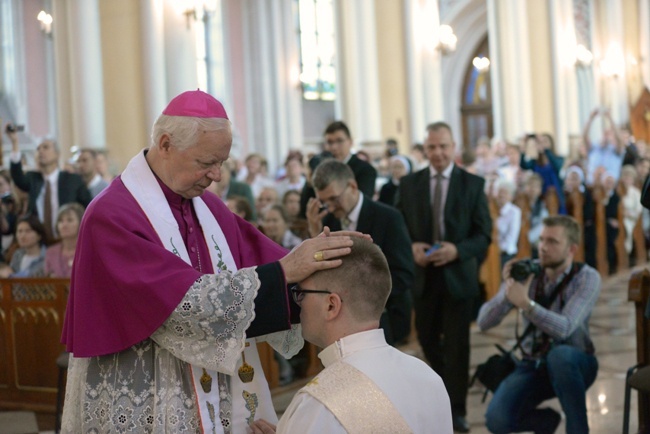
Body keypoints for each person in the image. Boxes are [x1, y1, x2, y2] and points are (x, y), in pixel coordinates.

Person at [60, 90, 359, 433]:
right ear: (166, 144)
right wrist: (285, 271)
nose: (217, 175)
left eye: (222, 163)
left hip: (216, 391)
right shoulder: (112, 215)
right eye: (206, 163)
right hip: (154, 392)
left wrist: (331, 259)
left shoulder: (210, 209)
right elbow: (177, 304)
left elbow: (268, 258)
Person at [249, 237, 453, 434]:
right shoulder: (428, 377)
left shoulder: (318, 405)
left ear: (331, 305)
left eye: (301, 293)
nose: (298, 303)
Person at [396, 121, 491, 432]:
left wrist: (457, 250)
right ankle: (441, 397)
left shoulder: (472, 184)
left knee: (457, 346)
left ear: (454, 148)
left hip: (457, 277)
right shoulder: (410, 184)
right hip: (423, 276)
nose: (437, 153)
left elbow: (483, 235)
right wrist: (410, 247)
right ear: (426, 149)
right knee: (426, 339)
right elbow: (398, 228)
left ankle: (457, 409)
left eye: (443, 146)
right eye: (431, 147)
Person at [477, 215, 600, 434]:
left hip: (577, 362)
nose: (543, 247)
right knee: (497, 420)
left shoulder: (586, 277)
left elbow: (564, 328)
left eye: (552, 242)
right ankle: (546, 421)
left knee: (560, 356)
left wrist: (526, 304)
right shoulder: (528, 273)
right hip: (532, 364)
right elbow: (483, 322)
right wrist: (508, 292)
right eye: (541, 240)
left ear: (572, 249)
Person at [307, 159, 415, 345]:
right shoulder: (328, 222)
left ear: (352, 186)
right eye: (325, 202)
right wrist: (314, 235)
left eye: (334, 199)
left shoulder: (388, 218)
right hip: (339, 322)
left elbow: (404, 274)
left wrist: (361, 300)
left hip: (383, 318)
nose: (330, 207)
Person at [8, 128, 90, 242]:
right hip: (40, 241)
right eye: (38, 148)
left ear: (57, 154)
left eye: (45, 147)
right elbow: (17, 177)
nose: (41, 151)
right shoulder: (33, 178)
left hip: (68, 239)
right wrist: (15, 143)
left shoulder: (72, 180)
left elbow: (87, 206)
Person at [44, 203, 85, 277]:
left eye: (70, 220)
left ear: (81, 223)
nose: (64, 225)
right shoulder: (51, 252)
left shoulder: (87, 251)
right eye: (60, 221)